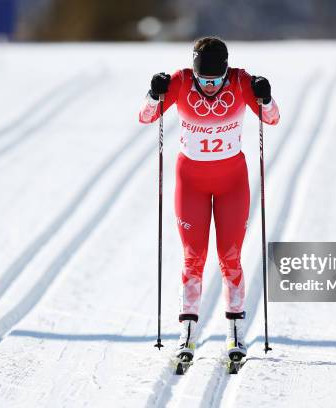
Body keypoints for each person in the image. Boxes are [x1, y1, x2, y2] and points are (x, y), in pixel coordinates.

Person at [139, 36, 280, 360]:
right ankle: (186, 334)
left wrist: (266, 97)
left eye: (216, 80)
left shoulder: (242, 82)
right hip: (191, 183)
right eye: (204, 80)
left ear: (226, 72)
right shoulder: (180, 82)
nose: (211, 86)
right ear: (194, 72)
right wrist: (153, 93)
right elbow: (146, 117)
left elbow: (272, 119)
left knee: (230, 257)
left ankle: (235, 334)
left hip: (232, 183)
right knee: (193, 258)